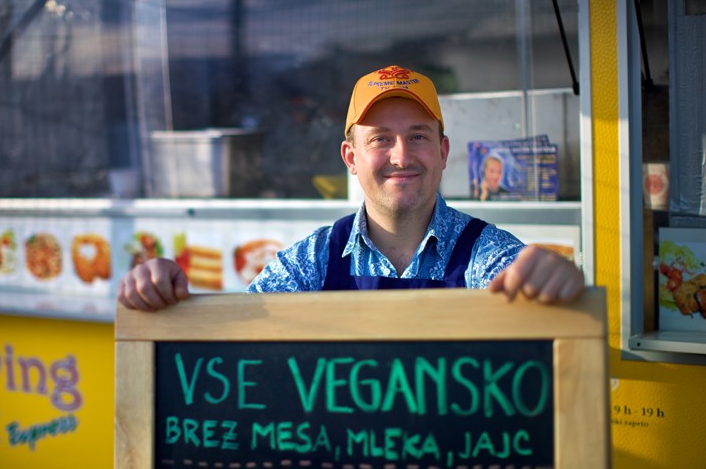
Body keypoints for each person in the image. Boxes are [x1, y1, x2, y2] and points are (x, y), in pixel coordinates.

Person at [117, 64, 585, 311]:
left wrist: (558, 285)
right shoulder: (311, 261)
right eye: (380, 139)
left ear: (443, 152)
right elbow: (244, 336)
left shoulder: (488, 254)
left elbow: (532, 303)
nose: (401, 156)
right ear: (351, 159)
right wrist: (162, 291)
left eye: (418, 137)